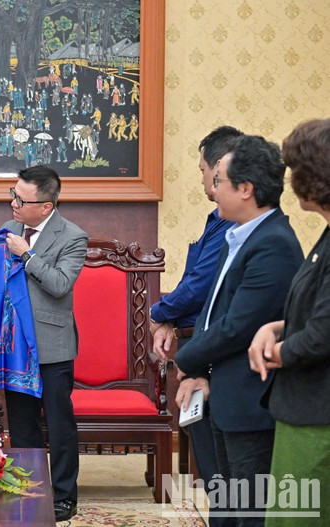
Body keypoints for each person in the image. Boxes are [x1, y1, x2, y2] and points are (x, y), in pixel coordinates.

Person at [176, 135, 304, 526]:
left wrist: (185, 358)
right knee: (226, 507)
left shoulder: (273, 244)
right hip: (224, 394)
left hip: (251, 402)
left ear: (245, 189)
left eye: (220, 182)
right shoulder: (236, 236)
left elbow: (238, 326)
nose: (213, 191)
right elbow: (211, 312)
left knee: (249, 512)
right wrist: (198, 368)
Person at [149, 126, 240, 526]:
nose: (203, 179)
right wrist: (170, 319)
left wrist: (159, 313)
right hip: (196, 348)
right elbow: (194, 281)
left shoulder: (233, 226)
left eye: (204, 170)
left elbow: (199, 287)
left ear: (220, 169)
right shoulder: (217, 220)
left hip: (212, 358)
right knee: (214, 467)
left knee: (223, 472)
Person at [248, 119, 330, 526]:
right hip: (304, 408)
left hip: (317, 415)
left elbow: (321, 336)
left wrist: (274, 353)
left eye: (296, 169)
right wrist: (276, 328)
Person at [2, 165, 88, 522]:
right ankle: (30, 488)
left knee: (59, 424)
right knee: (22, 424)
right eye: (13, 194)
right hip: (15, 346)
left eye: (21, 200)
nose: (14, 204)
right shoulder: (9, 229)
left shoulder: (73, 237)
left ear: (46, 206)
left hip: (52, 345)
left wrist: (27, 255)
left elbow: (59, 284)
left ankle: (64, 496)